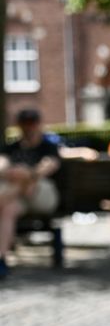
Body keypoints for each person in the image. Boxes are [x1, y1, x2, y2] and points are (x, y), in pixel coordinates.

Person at [0, 109, 63, 279]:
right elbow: (2, 165)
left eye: (32, 123)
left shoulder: (48, 147)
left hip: (40, 195)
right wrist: (15, 173)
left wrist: (27, 174)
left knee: (29, 185)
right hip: (17, 198)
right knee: (9, 209)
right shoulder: (11, 148)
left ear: (38, 124)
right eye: (25, 123)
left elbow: (48, 167)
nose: (29, 127)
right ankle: (1, 258)